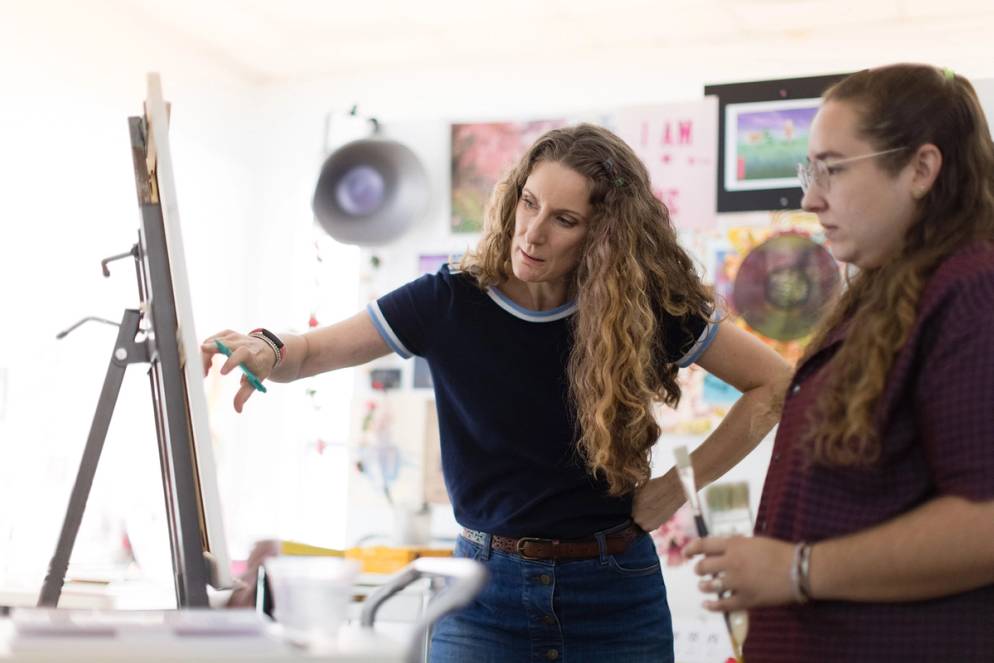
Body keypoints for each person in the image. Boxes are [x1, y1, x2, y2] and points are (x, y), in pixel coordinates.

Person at [203, 124, 790, 662]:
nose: (532, 233)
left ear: (603, 235)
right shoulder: (447, 301)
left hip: (615, 594)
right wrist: (267, 346)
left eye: (565, 219)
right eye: (529, 204)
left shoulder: (642, 311)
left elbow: (774, 383)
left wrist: (671, 492)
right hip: (481, 598)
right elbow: (308, 351)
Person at [685, 63, 994, 662]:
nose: (810, 197)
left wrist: (798, 569)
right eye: (810, 170)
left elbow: (985, 522)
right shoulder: (883, 295)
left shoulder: (970, 293)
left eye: (832, 169)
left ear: (921, 169)